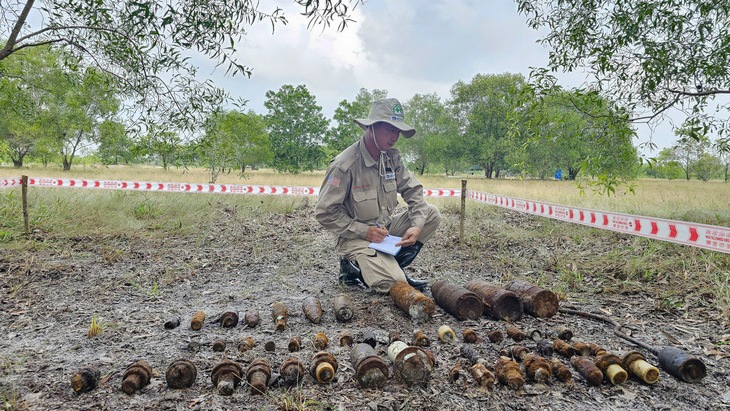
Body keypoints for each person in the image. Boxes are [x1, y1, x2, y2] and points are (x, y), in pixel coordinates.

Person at [315, 97, 441, 293]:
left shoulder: (391, 157)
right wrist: (364, 232)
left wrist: (416, 226)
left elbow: (413, 190)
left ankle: (388, 264)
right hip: (354, 237)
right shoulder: (345, 165)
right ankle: (354, 265)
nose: (395, 136)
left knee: (430, 214)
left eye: (397, 131)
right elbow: (325, 212)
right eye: (390, 130)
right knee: (396, 283)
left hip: (384, 231)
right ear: (371, 128)